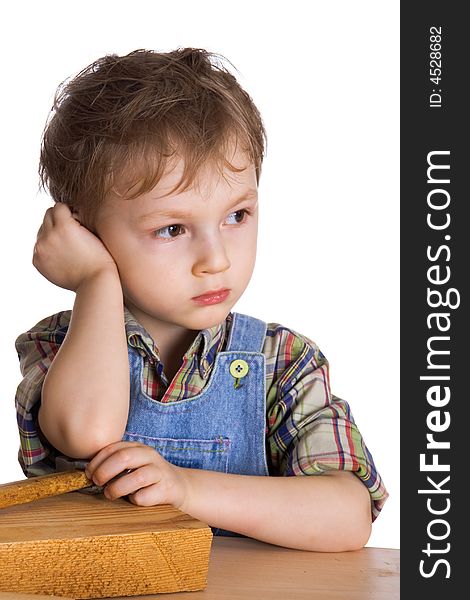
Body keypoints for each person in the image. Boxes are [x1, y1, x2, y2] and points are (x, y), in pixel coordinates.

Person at [15, 48, 388, 551]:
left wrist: (186, 488)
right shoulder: (59, 347)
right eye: (172, 228)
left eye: (237, 216)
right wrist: (97, 281)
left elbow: (348, 516)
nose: (216, 259)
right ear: (83, 230)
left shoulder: (281, 362)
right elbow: (86, 432)